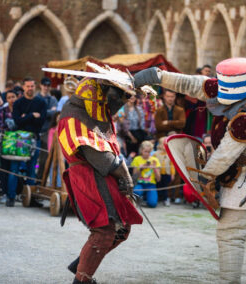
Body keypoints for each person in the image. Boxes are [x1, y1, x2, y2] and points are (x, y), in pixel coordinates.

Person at [134, 57, 246, 284]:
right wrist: (158, 76)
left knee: (230, 236)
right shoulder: (233, 87)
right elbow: (193, 84)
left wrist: (203, 178)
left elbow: (224, 155)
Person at [58, 77, 142, 283]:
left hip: (102, 178)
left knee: (122, 229)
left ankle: (82, 263)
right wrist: (126, 176)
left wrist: (127, 90)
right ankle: (82, 279)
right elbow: (102, 159)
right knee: (104, 231)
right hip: (89, 180)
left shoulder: (88, 111)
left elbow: (109, 110)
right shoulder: (73, 118)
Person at [8, 77, 47, 207]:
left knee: (31, 170)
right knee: (14, 169)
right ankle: (11, 197)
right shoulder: (18, 103)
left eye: (32, 86)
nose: (30, 88)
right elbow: (17, 121)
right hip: (19, 139)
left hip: (34, 138)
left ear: (35, 87)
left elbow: (41, 122)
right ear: (23, 87)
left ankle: (31, 198)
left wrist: (26, 117)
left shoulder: (41, 102)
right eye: (28, 86)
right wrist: (31, 116)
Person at [0, 89, 18, 203]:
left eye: (13, 97)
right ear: (6, 99)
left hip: (18, 145)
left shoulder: (19, 109)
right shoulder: (3, 110)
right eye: (9, 97)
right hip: (5, 142)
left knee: (14, 169)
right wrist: (9, 126)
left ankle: (12, 194)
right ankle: (3, 192)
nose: (11, 99)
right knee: (4, 169)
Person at [131, 140, 161, 208]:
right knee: (135, 193)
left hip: (151, 185)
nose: (147, 154)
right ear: (141, 150)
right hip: (140, 184)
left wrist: (154, 168)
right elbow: (134, 177)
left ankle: (145, 199)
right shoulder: (137, 159)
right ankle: (142, 198)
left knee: (153, 204)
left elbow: (158, 179)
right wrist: (141, 169)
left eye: (149, 152)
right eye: (145, 151)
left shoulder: (155, 160)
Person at [154, 136, 175, 206]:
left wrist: (172, 174)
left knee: (165, 187)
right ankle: (157, 198)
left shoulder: (170, 154)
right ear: (159, 145)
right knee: (158, 186)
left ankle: (165, 199)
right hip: (158, 174)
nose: (165, 146)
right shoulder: (156, 154)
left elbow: (172, 165)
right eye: (163, 144)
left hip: (167, 174)